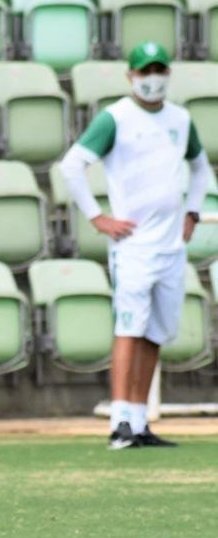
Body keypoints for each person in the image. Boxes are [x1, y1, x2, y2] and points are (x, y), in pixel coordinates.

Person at [59, 40, 213, 450]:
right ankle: (120, 421)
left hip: (170, 246)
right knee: (129, 327)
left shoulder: (180, 119)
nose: (152, 78)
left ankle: (141, 421)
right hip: (133, 246)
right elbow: (72, 165)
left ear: (168, 74)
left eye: (158, 70)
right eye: (145, 71)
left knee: (155, 333)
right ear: (130, 75)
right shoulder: (115, 118)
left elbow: (200, 169)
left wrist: (192, 211)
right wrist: (98, 217)